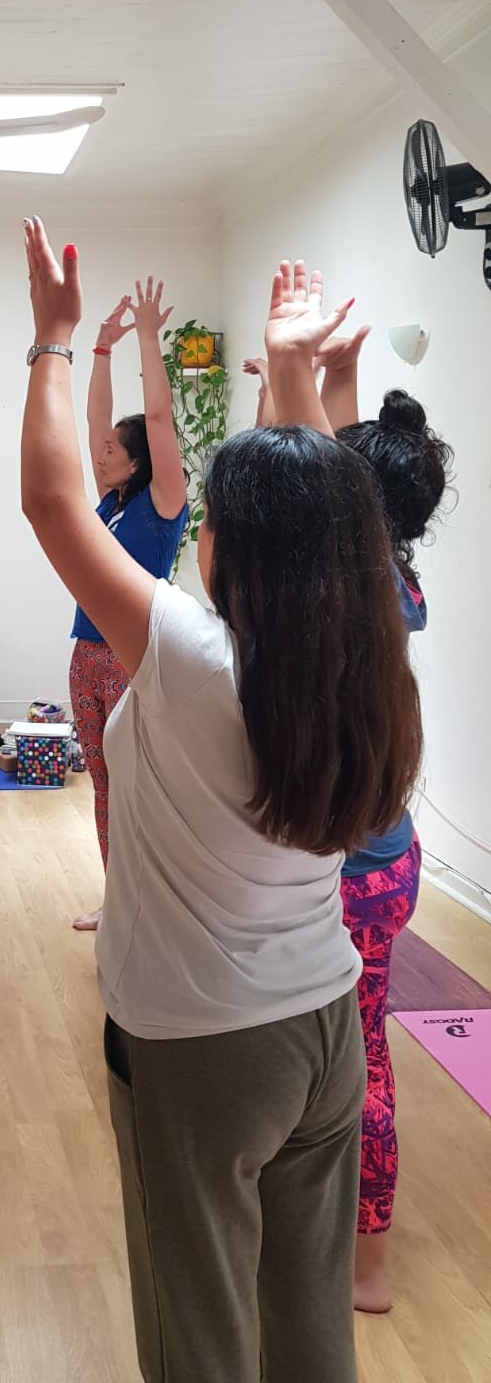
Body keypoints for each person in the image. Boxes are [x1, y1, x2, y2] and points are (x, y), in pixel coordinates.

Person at [21, 228, 423, 1383]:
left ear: (230, 550)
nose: (197, 532)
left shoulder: (194, 659)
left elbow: (51, 502)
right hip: (324, 1027)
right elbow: (329, 521)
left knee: (200, 1341)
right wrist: (290, 371)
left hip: (204, 1052)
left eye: (209, 521)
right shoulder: (365, 649)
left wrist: (54, 337)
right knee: (308, 1331)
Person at [311, 338, 451, 1315]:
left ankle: (366, 1265)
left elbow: (325, 478)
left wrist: (305, 381)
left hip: (353, 872)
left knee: (355, 1063)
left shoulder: (345, 590)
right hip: (385, 858)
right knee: (351, 1050)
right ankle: (347, 1248)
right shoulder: (393, 577)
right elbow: (343, 471)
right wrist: (336, 374)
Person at [70, 280, 188, 931]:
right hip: (87, 655)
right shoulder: (110, 503)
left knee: (139, 785)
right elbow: (95, 422)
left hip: (132, 658)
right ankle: (119, 898)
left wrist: (147, 338)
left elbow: (161, 422)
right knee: (104, 783)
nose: (102, 450)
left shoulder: (161, 505)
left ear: (141, 460)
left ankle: (153, 903)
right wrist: (100, 349)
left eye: (115, 447)